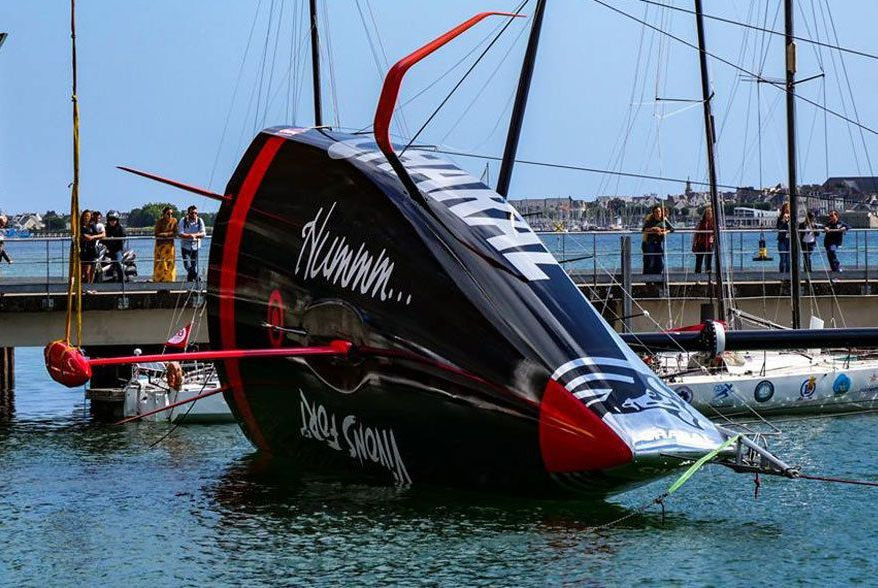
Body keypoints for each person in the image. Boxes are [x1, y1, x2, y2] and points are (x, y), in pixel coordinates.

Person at [641, 205, 674, 275]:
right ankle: (649, 278)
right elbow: (644, 229)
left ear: (661, 212)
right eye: (656, 212)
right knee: (650, 261)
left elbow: (672, 229)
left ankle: (658, 277)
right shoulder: (650, 219)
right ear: (653, 213)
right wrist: (653, 229)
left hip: (659, 243)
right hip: (650, 243)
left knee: (660, 262)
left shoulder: (664, 219)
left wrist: (665, 232)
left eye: (659, 211)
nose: (658, 213)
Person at [179, 205, 206, 282]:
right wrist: (189, 236)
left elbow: (203, 233)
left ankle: (190, 282)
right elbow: (180, 233)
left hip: (195, 247)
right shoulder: (183, 220)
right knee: (187, 265)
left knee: (193, 266)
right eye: (192, 213)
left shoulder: (200, 221)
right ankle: (197, 278)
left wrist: (195, 235)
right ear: (188, 213)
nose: (194, 214)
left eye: (195, 213)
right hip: (185, 246)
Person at [153, 206, 178, 282]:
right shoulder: (159, 222)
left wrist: (164, 234)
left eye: (171, 214)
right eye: (168, 214)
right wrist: (168, 234)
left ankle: (170, 279)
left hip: (170, 246)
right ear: (164, 214)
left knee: (170, 263)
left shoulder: (174, 221)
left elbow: (175, 233)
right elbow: (156, 234)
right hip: (160, 246)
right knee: (160, 264)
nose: (170, 215)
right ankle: (159, 280)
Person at [103, 210, 127, 282]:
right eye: (110, 220)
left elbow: (123, 239)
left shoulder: (120, 228)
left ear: (117, 220)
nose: (112, 221)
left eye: (114, 220)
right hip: (106, 249)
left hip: (117, 249)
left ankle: (121, 279)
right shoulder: (106, 229)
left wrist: (114, 241)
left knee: (118, 262)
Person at [79, 210, 100, 283]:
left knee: (90, 271)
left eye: (88, 216)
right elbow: (82, 235)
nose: (86, 217)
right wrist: (84, 236)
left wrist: (92, 237)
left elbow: (98, 235)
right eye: (85, 216)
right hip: (83, 250)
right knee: (83, 271)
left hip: (91, 250)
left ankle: (89, 285)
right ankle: (83, 285)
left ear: (91, 217)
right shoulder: (80, 226)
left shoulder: (92, 225)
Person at [692, 206, 715, 274]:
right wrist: (694, 244)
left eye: (710, 214)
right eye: (707, 214)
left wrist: (713, 239)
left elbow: (715, 233)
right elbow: (696, 234)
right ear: (705, 214)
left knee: (709, 261)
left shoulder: (713, 223)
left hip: (709, 244)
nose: (709, 215)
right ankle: (697, 275)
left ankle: (709, 275)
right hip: (701, 243)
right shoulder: (701, 223)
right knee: (699, 260)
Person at [776, 202, 791, 273]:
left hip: (790, 239)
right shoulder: (780, 218)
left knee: (788, 258)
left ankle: (788, 273)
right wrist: (784, 221)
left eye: (788, 208)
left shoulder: (792, 217)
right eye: (786, 208)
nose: (787, 209)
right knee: (783, 258)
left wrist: (789, 220)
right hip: (782, 240)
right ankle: (781, 273)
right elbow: (778, 227)